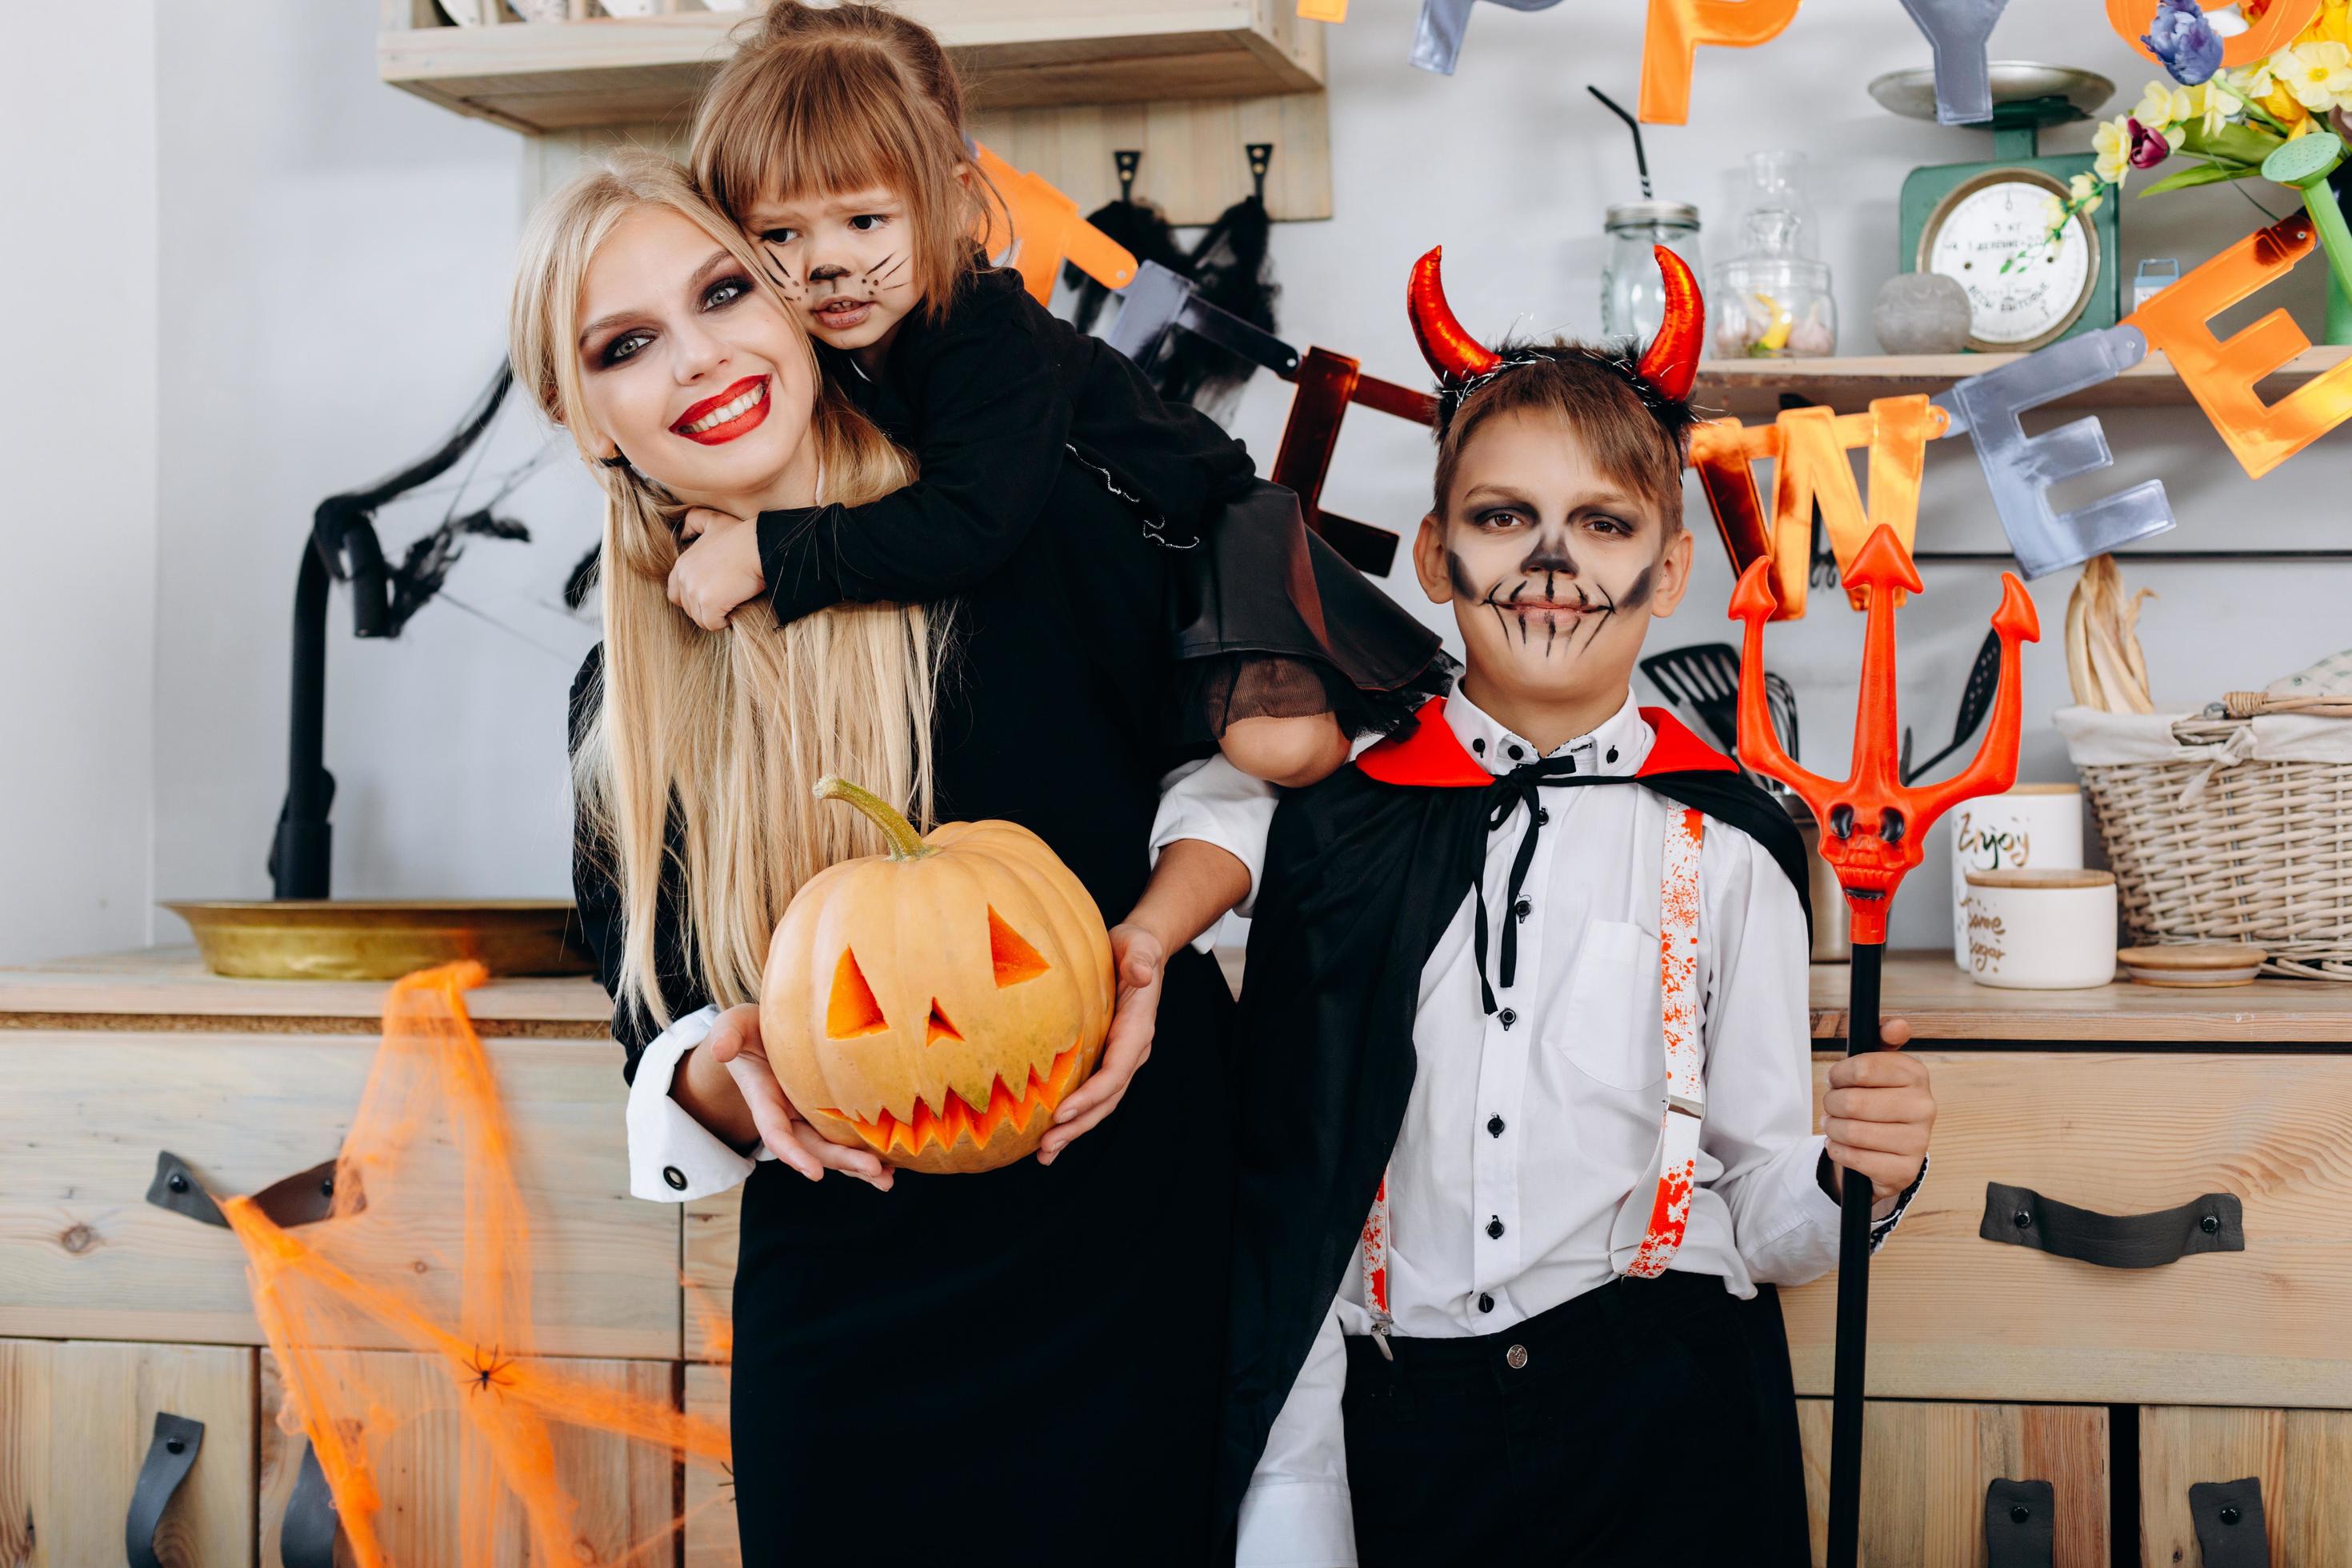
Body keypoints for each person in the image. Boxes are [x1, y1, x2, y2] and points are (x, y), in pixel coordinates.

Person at [510, 152, 1265, 1565]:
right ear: (586, 421)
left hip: (1136, 1255)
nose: (701, 356)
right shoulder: (628, 706)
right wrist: (732, 1076)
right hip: (846, 1313)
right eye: (627, 344)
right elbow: (653, 1026)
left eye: (725, 290)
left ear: (799, 303)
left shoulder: (1033, 525)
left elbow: (1237, 775)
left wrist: (1154, 940)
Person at [1217, 249, 1938, 1567]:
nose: (1552, 564)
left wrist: (1858, 1175)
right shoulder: (1334, 833)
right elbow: (1283, 1199)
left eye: (1603, 525)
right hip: (1398, 1425)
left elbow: (1774, 1207)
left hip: (1662, 1404)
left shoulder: (1734, 838)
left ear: (1670, 574)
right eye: (1503, 518)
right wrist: (1296, 1494)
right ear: (1435, 557)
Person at [665, 0, 1448, 790]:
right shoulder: (829, 345)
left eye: (865, 220)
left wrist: (772, 551)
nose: (827, 264)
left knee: (1280, 751)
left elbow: (968, 520)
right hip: (1098, 591)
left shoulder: (981, 327)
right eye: (780, 235)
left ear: (953, 202)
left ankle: (1402, 770)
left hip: (1203, 537)